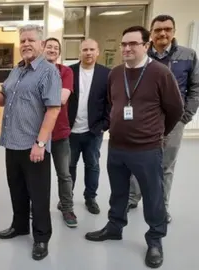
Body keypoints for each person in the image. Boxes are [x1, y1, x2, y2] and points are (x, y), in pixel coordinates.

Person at [85, 26, 184, 269]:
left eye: (133, 44)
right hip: (117, 147)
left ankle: (155, 240)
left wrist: (157, 133)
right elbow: (113, 102)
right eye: (123, 44)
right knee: (118, 192)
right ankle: (115, 227)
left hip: (147, 149)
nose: (127, 49)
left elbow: (175, 109)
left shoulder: (160, 73)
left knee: (152, 195)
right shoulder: (115, 73)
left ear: (146, 45)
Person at [0, 24, 61, 261]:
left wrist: (40, 144)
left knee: (39, 194)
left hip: (34, 146)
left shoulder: (48, 72)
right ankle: (20, 225)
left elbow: (53, 110)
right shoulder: (16, 71)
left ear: (42, 45)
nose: (25, 44)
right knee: (18, 189)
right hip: (12, 143)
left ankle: (41, 237)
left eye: (31, 40)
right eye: (22, 41)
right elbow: (2, 99)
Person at [128, 15, 199, 223]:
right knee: (138, 160)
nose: (163, 33)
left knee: (166, 166)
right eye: (158, 29)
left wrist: (185, 116)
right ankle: (132, 198)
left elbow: (196, 88)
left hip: (174, 121)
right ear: (151, 32)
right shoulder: (142, 54)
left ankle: (162, 207)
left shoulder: (188, 55)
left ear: (173, 32)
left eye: (167, 29)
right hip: (145, 121)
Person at [67, 39, 110, 214]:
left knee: (92, 165)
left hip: (94, 130)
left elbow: (111, 102)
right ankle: (66, 198)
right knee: (69, 167)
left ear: (98, 52)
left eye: (92, 49)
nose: (88, 53)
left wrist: (105, 125)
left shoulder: (106, 74)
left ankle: (90, 197)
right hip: (70, 131)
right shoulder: (70, 72)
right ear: (80, 52)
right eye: (85, 49)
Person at [42, 37, 77, 227]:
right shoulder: (34, 71)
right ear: (42, 49)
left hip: (59, 133)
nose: (52, 50)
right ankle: (37, 208)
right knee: (38, 176)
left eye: (56, 48)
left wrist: (37, 96)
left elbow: (62, 99)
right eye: (49, 47)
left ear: (59, 53)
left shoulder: (65, 71)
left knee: (64, 174)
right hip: (37, 134)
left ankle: (67, 208)